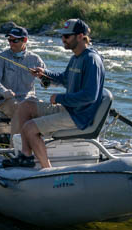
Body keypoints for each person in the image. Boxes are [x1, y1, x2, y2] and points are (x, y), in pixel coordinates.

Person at [12, 19, 105, 169]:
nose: (63, 39)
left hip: (78, 117)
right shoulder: (76, 57)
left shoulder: (91, 60)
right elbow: (64, 79)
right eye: (62, 36)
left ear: (80, 36)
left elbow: (90, 96)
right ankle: (26, 156)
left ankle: (47, 169)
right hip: (69, 109)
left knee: (29, 128)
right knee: (25, 107)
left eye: (67, 36)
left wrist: (60, 98)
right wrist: (44, 74)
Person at [0, 26, 44, 134]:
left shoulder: (36, 59)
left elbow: (46, 83)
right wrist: (3, 91)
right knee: (21, 111)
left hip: (29, 99)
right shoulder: (0, 58)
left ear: (25, 40)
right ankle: (16, 147)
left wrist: (42, 77)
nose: (11, 43)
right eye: (9, 40)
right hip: (5, 101)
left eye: (15, 40)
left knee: (44, 110)